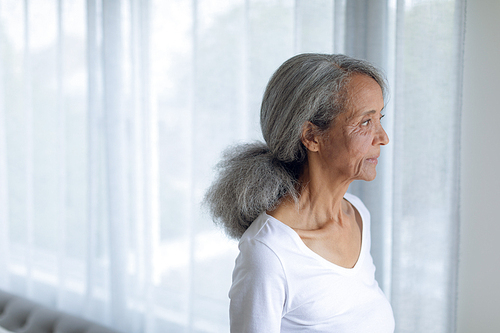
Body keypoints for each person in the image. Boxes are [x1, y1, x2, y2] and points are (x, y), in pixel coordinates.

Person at [204, 53, 395, 332]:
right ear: (311, 136)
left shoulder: (357, 216)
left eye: (379, 118)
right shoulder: (268, 253)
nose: (383, 137)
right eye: (365, 122)